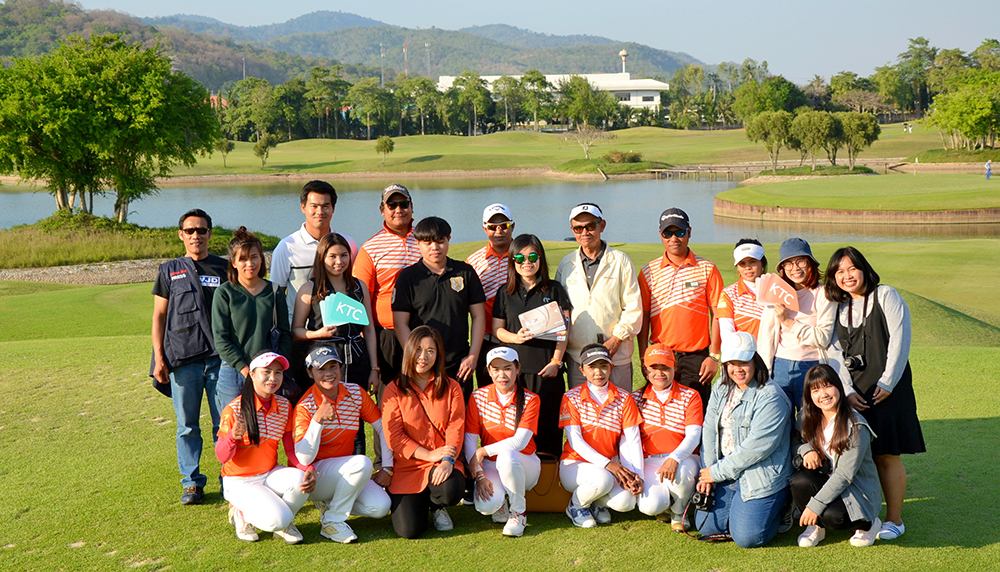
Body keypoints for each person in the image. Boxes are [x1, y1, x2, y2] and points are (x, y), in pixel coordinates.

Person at [824, 246, 925, 541]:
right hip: (854, 392)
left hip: (888, 390)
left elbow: (900, 339)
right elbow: (832, 350)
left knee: (887, 455)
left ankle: (895, 519)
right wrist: (846, 389)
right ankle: (868, 515)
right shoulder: (838, 307)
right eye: (839, 272)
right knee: (859, 456)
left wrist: (888, 382)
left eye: (851, 268)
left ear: (864, 269)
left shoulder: (886, 295)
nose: (846, 276)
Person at [150, 209, 229, 505]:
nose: (196, 235)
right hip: (183, 359)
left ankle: (229, 478)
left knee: (225, 424)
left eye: (202, 230)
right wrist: (159, 358)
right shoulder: (169, 270)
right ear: (181, 234)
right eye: (190, 230)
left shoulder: (224, 267)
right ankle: (192, 483)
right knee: (187, 425)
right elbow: (159, 316)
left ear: (210, 233)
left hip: (220, 359)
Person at [696, 332, 792, 548]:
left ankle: (784, 506)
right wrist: (708, 473)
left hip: (759, 474)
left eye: (744, 363)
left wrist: (716, 473)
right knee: (707, 528)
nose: (737, 369)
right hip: (724, 470)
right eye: (731, 363)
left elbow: (756, 448)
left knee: (747, 538)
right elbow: (709, 429)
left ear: (755, 361)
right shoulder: (721, 385)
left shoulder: (771, 397)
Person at [291, 232, 380, 457]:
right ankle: (324, 468)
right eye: (332, 256)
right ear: (322, 257)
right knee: (326, 416)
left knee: (356, 417)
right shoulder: (310, 289)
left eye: (344, 255)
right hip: (325, 360)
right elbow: (296, 331)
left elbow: (368, 328)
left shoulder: (358, 287)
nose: (338, 261)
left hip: (356, 358)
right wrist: (316, 333)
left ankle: (358, 466)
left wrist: (374, 369)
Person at [292, 346, 392, 544]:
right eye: (321, 369)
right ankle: (332, 521)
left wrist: (387, 468)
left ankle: (330, 504)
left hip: (344, 472)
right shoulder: (305, 406)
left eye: (333, 366)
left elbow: (383, 427)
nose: (329, 374)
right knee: (362, 463)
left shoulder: (355, 392)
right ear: (310, 373)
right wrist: (318, 420)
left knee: (380, 507)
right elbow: (304, 457)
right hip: (314, 477)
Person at [215, 351, 316, 543]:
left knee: (302, 480)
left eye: (278, 373)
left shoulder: (285, 406)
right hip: (239, 481)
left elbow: (289, 449)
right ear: (252, 374)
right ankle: (241, 514)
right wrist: (231, 438)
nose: (273, 378)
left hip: (269, 474)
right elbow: (222, 456)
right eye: (267, 372)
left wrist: (307, 468)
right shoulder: (234, 409)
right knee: (278, 519)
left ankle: (284, 524)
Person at [271, 181, 357, 395]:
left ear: (333, 208)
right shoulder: (287, 247)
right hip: (299, 339)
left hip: (339, 340)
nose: (320, 211)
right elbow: (275, 296)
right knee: (301, 400)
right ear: (303, 207)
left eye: (326, 206)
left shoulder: (347, 244)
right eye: (314, 206)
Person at [381, 326, 467, 539]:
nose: (423, 356)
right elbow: (394, 437)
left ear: (438, 355)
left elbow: (456, 426)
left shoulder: (452, 387)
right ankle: (425, 502)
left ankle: (437, 505)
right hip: (408, 468)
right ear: (409, 351)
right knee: (409, 531)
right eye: (418, 349)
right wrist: (428, 455)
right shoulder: (393, 389)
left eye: (431, 351)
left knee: (451, 490)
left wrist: (447, 460)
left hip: (441, 462)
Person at [492, 234, 570, 457]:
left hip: (547, 372)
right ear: (512, 262)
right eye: (520, 257)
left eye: (532, 256)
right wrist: (516, 338)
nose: (526, 262)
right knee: (518, 433)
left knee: (548, 431)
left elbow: (564, 330)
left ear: (541, 259)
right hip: (515, 375)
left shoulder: (554, 289)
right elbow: (498, 330)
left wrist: (557, 361)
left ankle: (547, 486)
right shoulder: (504, 292)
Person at [392, 216, 486, 400]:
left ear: (448, 240)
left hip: (459, 364)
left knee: (459, 422)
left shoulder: (465, 272)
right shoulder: (407, 278)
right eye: (427, 242)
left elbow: (478, 317)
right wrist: (414, 357)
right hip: (423, 364)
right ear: (418, 243)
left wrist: (473, 356)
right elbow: (400, 323)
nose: (434, 247)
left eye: (440, 241)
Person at [638, 207, 723, 411]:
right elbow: (644, 317)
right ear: (661, 235)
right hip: (661, 355)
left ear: (689, 232)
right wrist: (643, 357)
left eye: (680, 232)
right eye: (668, 233)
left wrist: (714, 356)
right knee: (662, 415)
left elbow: (719, 316)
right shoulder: (648, 271)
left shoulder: (707, 269)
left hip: (697, 358)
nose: (674, 238)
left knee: (697, 415)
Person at [791, 364, 882, 548]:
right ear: (809, 395)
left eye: (827, 386)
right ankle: (817, 527)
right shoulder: (806, 417)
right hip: (826, 481)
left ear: (838, 387)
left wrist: (814, 505)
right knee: (799, 481)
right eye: (815, 389)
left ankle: (869, 524)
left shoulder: (856, 426)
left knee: (834, 517)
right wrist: (806, 449)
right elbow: (793, 442)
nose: (823, 394)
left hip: (855, 491)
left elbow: (844, 475)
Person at [555, 203, 642, 391]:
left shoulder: (620, 261)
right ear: (572, 230)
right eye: (578, 228)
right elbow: (560, 312)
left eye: (591, 226)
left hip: (615, 356)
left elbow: (633, 308)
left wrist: (616, 339)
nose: (585, 232)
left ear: (602, 226)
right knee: (582, 415)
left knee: (619, 413)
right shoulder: (566, 264)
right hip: (578, 359)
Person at [559, 344, 643, 528]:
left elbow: (632, 439)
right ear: (582, 370)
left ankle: (596, 502)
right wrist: (608, 464)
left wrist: (637, 475)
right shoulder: (571, 397)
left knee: (627, 502)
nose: (598, 372)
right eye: (592, 367)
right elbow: (576, 442)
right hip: (574, 464)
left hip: (609, 466)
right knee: (602, 479)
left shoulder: (624, 398)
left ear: (611, 367)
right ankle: (576, 506)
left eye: (603, 366)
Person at [212, 227, 292, 413]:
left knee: (268, 426)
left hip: (268, 371)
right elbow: (221, 339)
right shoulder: (224, 293)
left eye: (254, 257)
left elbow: (285, 333)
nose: (250, 263)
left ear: (262, 259)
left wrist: (275, 368)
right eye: (243, 259)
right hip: (234, 370)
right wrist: (245, 369)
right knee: (232, 429)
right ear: (233, 262)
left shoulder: (273, 291)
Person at [464, 347, 541, 537]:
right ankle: (501, 504)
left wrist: (483, 452)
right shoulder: (477, 397)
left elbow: (520, 443)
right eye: (496, 369)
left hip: (524, 463)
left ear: (518, 369)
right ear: (489, 371)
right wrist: (479, 476)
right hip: (491, 464)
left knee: (507, 457)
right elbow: (470, 440)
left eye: (507, 368)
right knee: (486, 506)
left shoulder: (531, 400)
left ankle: (518, 512)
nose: (502, 375)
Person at [756, 237, 835, 416]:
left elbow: (823, 338)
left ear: (810, 263)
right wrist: (764, 372)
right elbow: (766, 337)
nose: (795, 268)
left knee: (810, 422)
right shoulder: (776, 292)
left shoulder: (823, 293)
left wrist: (788, 321)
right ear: (782, 268)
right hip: (779, 366)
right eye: (788, 263)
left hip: (812, 367)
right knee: (780, 422)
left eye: (800, 261)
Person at [353, 183, 420, 390]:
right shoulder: (370, 248)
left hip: (423, 331)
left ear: (411, 207)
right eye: (392, 205)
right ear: (382, 210)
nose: (398, 210)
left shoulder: (425, 239)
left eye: (403, 204)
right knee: (391, 398)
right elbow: (360, 301)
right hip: (387, 338)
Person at [633, 344, 703, 531]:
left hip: (685, 458)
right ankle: (667, 504)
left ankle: (679, 513)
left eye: (665, 367)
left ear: (675, 368)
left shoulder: (690, 396)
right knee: (650, 506)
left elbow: (694, 435)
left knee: (683, 475)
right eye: (654, 368)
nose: (659, 373)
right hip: (650, 460)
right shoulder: (636, 398)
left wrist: (674, 458)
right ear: (645, 370)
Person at [467, 203, 515, 389]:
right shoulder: (474, 261)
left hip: (521, 339)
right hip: (487, 340)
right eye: (492, 227)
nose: (499, 231)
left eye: (504, 225)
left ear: (512, 226)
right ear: (484, 228)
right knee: (489, 394)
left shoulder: (524, 257)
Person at [717, 239, 767, 344]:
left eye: (752, 261)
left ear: (762, 263)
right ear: (738, 268)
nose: (748, 267)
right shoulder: (728, 294)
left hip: (775, 356)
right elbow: (727, 334)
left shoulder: (776, 289)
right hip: (743, 355)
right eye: (742, 264)